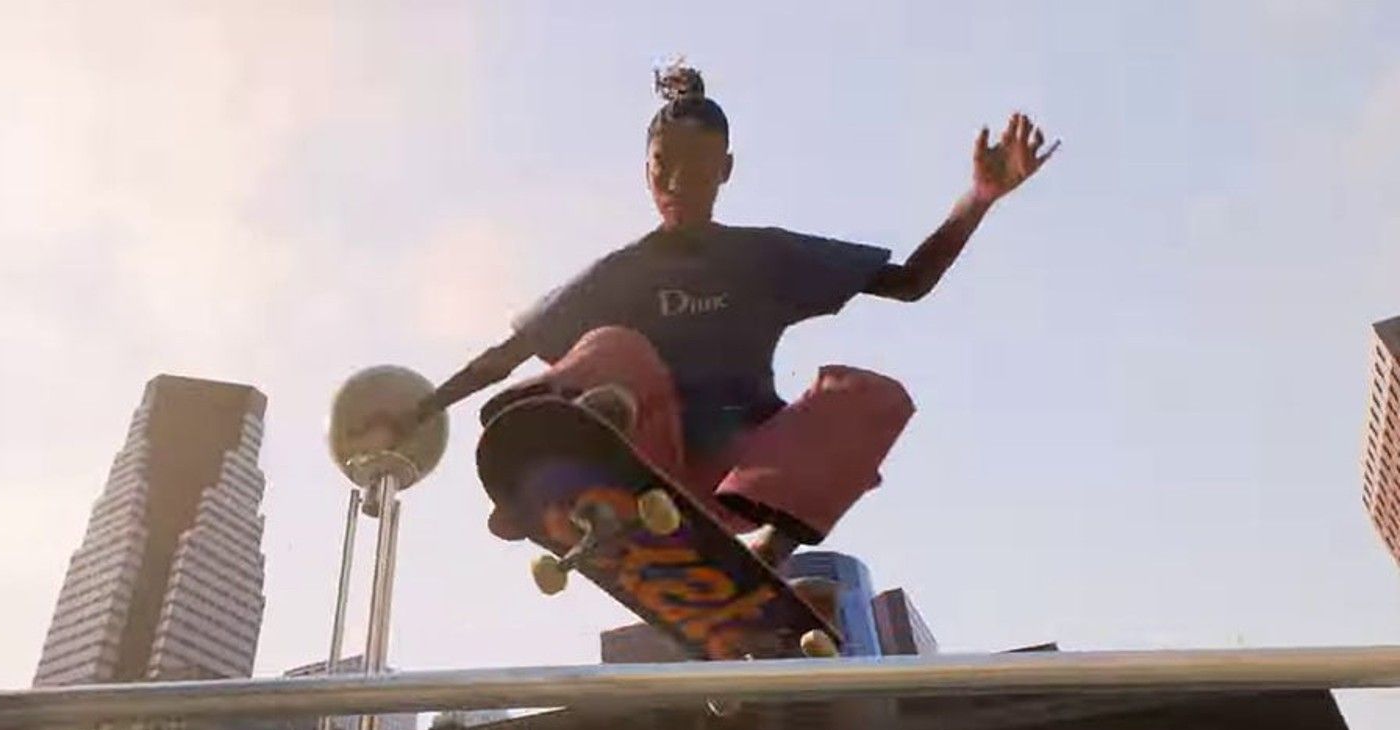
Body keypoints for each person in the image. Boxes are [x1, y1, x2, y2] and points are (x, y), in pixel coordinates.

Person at [362, 62, 1057, 572]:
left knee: (868, 397)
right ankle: (562, 470)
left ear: (726, 170)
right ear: (644, 171)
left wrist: (980, 197)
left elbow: (909, 282)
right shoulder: (623, 268)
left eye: (695, 170)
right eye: (662, 167)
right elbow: (506, 355)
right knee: (611, 349)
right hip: (651, 456)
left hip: (746, 479)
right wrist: (422, 410)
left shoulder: (765, 257)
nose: (675, 185)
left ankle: (766, 551)